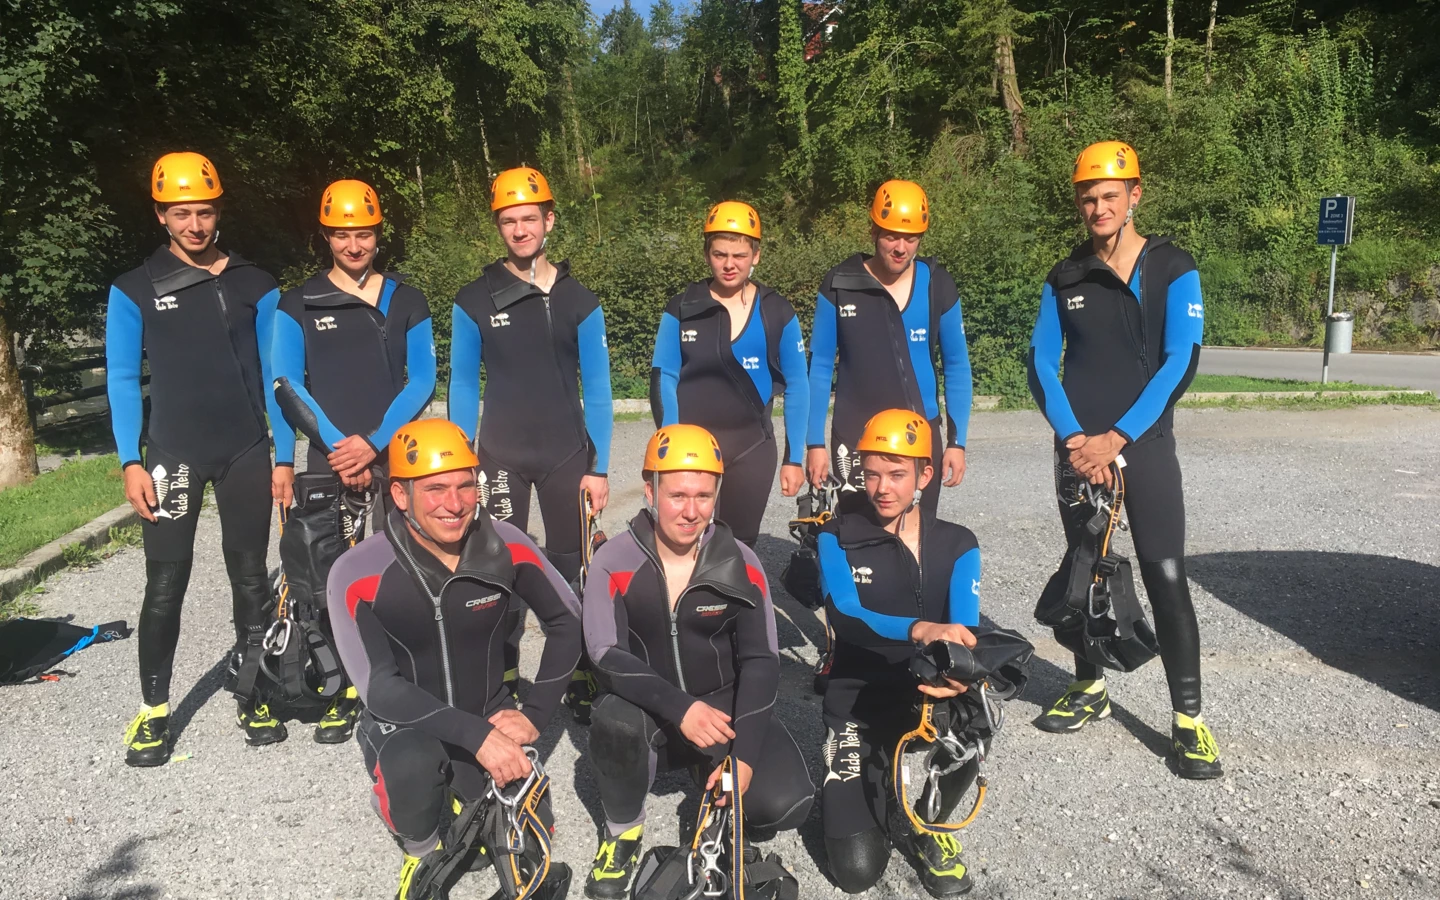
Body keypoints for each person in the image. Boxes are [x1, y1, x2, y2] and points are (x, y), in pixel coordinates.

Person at [1026, 140, 1220, 779]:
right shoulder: (1065, 274)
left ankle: (1188, 721)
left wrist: (1119, 439)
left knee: (1165, 575)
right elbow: (1039, 363)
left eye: (1111, 195)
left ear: (1135, 195)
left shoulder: (1173, 266)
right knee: (1088, 572)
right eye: (1089, 198)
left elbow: (1180, 361)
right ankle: (1089, 687)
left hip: (1144, 446)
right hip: (1080, 450)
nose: (1098, 207)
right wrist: (1078, 440)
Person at [326, 418, 582, 899]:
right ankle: (419, 854)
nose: (455, 503)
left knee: (530, 838)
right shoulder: (357, 571)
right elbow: (378, 686)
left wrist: (535, 716)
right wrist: (478, 737)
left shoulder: (506, 544)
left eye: (466, 485)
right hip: (406, 722)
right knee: (412, 766)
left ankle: (472, 796)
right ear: (400, 496)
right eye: (436, 488)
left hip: (487, 710)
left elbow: (569, 621)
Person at [581, 425, 815, 899]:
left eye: (704, 496)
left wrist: (744, 755)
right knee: (613, 720)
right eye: (678, 495)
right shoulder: (614, 560)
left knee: (785, 803)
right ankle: (622, 831)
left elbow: (762, 661)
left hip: (720, 712)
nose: (691, 511)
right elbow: (604, 654)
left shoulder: (741, 561)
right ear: (650, 491)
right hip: (650, 709)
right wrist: (679, 708)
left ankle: (715, 785)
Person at [108, 151, 287, 766]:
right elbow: (124, 379)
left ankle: (253, 690)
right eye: (180, 213)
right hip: (172, 452)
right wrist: (131, 461)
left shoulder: (257, 285)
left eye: (204, 212)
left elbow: (276, 378)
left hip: (245, 450)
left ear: (218, 212)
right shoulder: (133, 289)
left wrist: (282, 455)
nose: (194, 225)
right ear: (161, 216)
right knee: (165, 583)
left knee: (250, 579)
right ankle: (154, 712)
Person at [269, 179, 436, 742]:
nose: (354, 244)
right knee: (331, 578)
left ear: (377, 233)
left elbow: (423, 379)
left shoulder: (407, 300)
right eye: (342, 234)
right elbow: (287, 383)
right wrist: (344, 446)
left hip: (395, 456)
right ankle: (341, 685)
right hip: (328, 456)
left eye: (363, 233)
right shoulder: (298, 303)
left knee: (401, 571)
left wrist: (376, 441)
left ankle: (398, 679)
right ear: (326, 236)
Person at [448, 166, 612, 709]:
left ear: (549, 220)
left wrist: (602, 466)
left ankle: (581, 669)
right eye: (508, 221)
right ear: (498, 226)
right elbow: (464, 384)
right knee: (500, 567)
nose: (520, 231)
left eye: (529, 219)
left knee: (573, 568)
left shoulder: (580, 301)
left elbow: (602, 390)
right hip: (500, 455)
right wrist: (460, 458)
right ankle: (503, 672)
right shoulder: (474, 299)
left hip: (568, 454)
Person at [816, 410, 983, 897]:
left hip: (924, 703)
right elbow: (845, 616)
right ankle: (877, 776)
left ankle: (930, 823)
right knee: (857, 872)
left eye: (896, 475)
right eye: (871, 474)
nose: (881, 488)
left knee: (978, 716)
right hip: (857, 710)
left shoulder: (959, 543)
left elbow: (964, 631)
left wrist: (962, 676)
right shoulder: (835, 535)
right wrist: (921, 628)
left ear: (924, 476)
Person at [805, 180, 973, 514]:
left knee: (916, 542)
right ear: (873, 231)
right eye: (891, 236)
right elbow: (820, 366)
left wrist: (957, 442)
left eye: (910, 238)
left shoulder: (937, 283)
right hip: (854, 437)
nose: (900, 247)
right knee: (857, 543)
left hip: (918, 436)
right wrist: (813, 443)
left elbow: (956, 365)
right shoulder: (840, 283)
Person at [649, 201, 809, 546]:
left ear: (756, 255)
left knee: (737, 550)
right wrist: (671, 449)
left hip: (752, 449)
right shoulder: (682, 307)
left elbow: (798, 386)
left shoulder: (777, 311)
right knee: (688, 547)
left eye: (739, 255)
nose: (729, 264)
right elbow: (663, 376)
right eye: (720, 254)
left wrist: (795, 458)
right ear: (707, 254)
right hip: (691, 453)